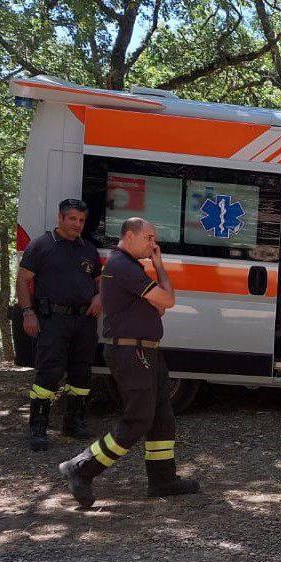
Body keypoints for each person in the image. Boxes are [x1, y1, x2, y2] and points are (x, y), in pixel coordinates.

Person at [59, 217, 199, 508]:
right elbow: (168, 301)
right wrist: (159, 272)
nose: (154, 244)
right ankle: (81, 467)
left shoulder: (132, 267)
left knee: (162, 417)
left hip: (147, 352)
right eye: (149, 238)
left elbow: (160, 306)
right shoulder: (123, 267)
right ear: (130, 236)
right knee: (138, 420)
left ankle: (163, 479)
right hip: (131, 353)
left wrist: (157, 266)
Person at [16, 198, 103, 451]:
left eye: (81, 220)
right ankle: (38, 428)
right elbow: (22, 281)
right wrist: (28, 313)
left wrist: (99, 296)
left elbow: (100, 280)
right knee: (49, 372)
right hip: (52, 319)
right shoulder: (42, 245)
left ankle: (74, 423)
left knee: (81, 372)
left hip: (84, 320)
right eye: (73, 219)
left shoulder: (88, 249)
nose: (77, 224)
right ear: (60, 218)